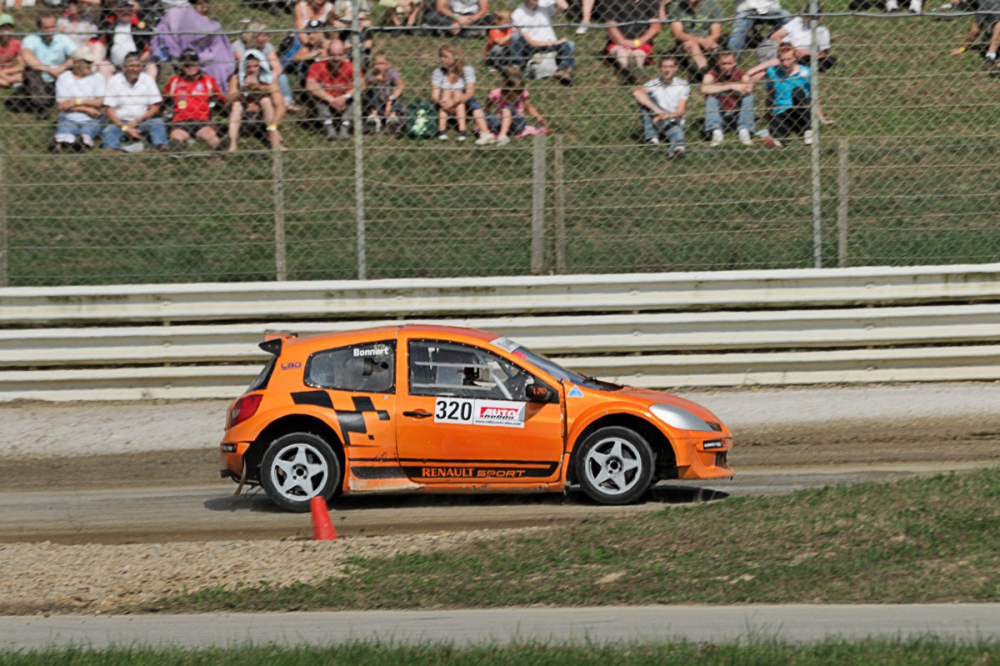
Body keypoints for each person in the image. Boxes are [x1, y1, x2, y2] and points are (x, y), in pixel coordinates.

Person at [751, 42, 831, 148]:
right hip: (783, 112)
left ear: (795, 58)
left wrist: (822, 119)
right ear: (778, 59)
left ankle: (808, 130)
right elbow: (770, 94)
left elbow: (814, 96)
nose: (786, 63)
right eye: (783, 60)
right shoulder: (772, 72)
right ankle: (778, 141)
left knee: (798, 91)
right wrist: (767, 115)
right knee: (777, 126)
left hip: (802, 112)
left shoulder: (806, 72)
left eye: (789, 59)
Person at [101, 51, 168, 151]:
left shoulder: (148, 80)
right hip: (121, 124)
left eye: (138, 66)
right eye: (132, 66)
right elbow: (109, 110)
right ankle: (114, 151)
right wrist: (124, 127)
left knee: (158, 122)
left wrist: (138, 120)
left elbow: (155, 106)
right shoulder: (114, 81)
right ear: (124, 67)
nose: (135, 69)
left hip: (143, 121)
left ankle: (160, 146)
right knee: (108, 131)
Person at [164, 48, 226, 150]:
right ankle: (179, 148)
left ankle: (219, 148)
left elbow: (221, 99)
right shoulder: (175, 81)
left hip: (202, 120)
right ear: (182, 66)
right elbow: (163, 100)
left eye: (194, 63)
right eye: (187, 65)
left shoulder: (208, 80)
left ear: (198, 64)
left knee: (209, 134)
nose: (191, 67)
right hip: (181, 120)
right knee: (176, 135)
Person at [20, 12, 78, 118]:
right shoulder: (31, 39)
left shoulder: (62, 38)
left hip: (59, 75)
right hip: (41, 78)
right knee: (30, 71)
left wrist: (61, 68)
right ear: (39, 28)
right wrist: (48, 70)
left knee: (74, 66)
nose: (51, 30)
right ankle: (42, 106)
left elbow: (76, 54)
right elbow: (26, 55)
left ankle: (67, 101)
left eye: (53, 26)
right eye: (46, 28)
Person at [430, 42, 491, 141]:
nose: (442, 60)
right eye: (441, 57)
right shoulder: (438, 72)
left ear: (456, 57)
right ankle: (442, 131)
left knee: (458, 92)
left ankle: (462, 131)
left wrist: (454, 101)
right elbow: (434, 96)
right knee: (446, 92)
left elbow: (469, 93)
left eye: (446, 57)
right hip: (444, 103)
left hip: (462, 102)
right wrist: (443, 102)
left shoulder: (467, 70)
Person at [232, 20, 297, 112]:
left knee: (282, 76)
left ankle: (287, 102)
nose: (266, 38)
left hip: (263, 74)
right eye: (263, 35)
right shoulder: (239, 46)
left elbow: (277, 67)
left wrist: (270, 79)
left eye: (266, 35)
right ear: (253, 36)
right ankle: (251, 102)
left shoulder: (267, 46)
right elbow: (244, 66)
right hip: (245, 74)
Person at [226, 52, 286, 152]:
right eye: (249, 67)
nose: (252, 70)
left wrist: (273, 127)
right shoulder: (236, 79)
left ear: (260, 66)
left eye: (255, 66)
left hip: (262, 115)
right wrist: (242, 91)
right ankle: (232, 145)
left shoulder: (269, 81)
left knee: (265, 100)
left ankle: (275, 143)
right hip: (242, 113)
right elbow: (227, 103)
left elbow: (281, 106)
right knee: (237, 104)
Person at [632, 55, 689, 157]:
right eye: (664, 67)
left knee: (677, 133)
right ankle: (652, 138)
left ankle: (676, 149)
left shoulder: (683, 85)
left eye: (670, 66)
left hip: (672, 119)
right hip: (656, 118)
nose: (667, 70)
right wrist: (657, 110)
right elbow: (637, 93)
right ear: (660, 68)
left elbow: (680, 111)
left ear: (676, 68)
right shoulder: (654, 83)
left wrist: (666, 115)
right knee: (645, 99)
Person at [749, 11, 835, 75]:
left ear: (821, 16)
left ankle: (750, 75)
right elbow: (775, 36)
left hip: (799, 58)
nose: (812, 19)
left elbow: (822, 56)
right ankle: (751, 72)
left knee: (830, 60)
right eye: (809, 16)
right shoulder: (798, 21)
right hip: (779, 48)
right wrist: (790, 49)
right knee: (785, 57)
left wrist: (807, 52)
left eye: (816, 16)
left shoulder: (822, 31)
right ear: (805, 14)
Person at [509, 0, 575, 85]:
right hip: (533, 47)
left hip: (551, 44)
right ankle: (516, 68)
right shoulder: (518, 14)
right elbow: (530, 41)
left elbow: (564, 6)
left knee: (569, 44)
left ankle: (563, 71)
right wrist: (554, 43)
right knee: (515, 37)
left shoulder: (544, 6)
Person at [53, 45, 105, 151]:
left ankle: (82, 141)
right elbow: (62, 105)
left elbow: (99, 101)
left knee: (88, 130)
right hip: (69, 117)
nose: (90, 66)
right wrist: (87, 108)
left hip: (91, 119)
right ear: (76, 62)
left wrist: (76, 101)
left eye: (90, 63)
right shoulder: (64, 78)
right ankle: (64, 142)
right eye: (86, 63)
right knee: (66, 129)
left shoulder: (97, 77)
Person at [476, 66, 546, 145]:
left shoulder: (522, 93)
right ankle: (487, 135)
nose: (514, 97)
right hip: (500, 123)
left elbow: (529, 107)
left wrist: (538, 117)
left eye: (516, 94)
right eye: (510, 95)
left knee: (506, 108)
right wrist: (486, 112)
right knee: (478, 111)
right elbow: (487, 104)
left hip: (517, 124)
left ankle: (502, 137)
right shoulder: (495, 93)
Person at [306, 38, 359, 140]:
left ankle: (345, 126)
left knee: (356, 92)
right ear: (328, 53)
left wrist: (345, 97)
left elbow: (362, 84)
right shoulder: (318, 66)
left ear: (344, 54)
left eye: (339, 55)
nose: (336, 58)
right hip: (326, 102)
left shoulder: (351, 66)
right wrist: (331, 99)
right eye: (333, 55)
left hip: (345, 102)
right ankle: (328, 126)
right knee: (316, 91)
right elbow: (310, 85)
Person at [701, 51, 754, 146]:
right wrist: (731, 86)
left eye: (729, 63)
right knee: (710, 98)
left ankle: (744, 130)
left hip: (737, 116)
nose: (726, 67)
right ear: (718, 63)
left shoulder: (739, 73)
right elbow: (704, 89)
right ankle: (716, 132)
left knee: (748, 97)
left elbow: (749, 87)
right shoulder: (712, 74)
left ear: (734, 63)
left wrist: (719, 87)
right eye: (723, 64)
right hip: (720, 116)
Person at [604, 0, 662, 83]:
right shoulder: (612, 2)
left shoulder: (650, 2)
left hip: (641, 42)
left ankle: (635, 70)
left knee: (638, 54)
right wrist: (624, 43)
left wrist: (636, 43)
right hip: (618, 42)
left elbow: (656, 27)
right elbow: (610, 27)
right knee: (620, 52)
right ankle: (627, 70)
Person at [668, 0, 724, 80]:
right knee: (692, 44)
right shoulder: (675, 6)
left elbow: (716, 34)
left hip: (707, 41)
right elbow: (677, 34)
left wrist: (707, 41)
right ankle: (706, 72)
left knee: (714, 46)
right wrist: (699, 40)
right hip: (686, 42)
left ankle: (716, 72)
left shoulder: (713, 5)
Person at [102, 0, 156, 79]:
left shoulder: (140, 26)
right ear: (116, 10)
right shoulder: (109, 25)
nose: (126, 11)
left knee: (152, 67)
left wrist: (135, 63)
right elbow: (100, 46)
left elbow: (149, 51)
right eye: (123, 8)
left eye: (129, 8)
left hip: (138, 64)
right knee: (103, 66)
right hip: (115, 66)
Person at [949, 0, 1000, 72]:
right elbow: (975, 28)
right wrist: (963, 48)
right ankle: (991, 56)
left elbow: (976, 28)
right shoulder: (989, 3)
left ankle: (991, 58)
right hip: (992, 38)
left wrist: (963, 48)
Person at [363, 51, 403, 133]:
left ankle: (392, 118)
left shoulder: (392, 73)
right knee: (371, 89)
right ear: (373, 65)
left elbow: (400, 85)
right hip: (378, 105)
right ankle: (373, 117)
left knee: (396, 90)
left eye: (382, 63)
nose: (380, 66)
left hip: (391, 104)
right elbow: (366, 83)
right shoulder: (372, 75)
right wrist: (375, 79)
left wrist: (389, 101)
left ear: (388, 64)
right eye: (377, 64)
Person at [423, 0, 492, 37]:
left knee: (490, 18)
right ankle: (467, 32)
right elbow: (440, 7)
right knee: (430, 16)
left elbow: (484, 10)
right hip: (452, 15)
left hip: (472, 16)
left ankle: (447, 31)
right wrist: (457, 18)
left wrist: (469, 20)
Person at [0, 14, 24, 88]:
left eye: (9, 29)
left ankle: (8, 82)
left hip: (10, 71)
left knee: (23, 74)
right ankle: (11, 82)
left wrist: (5, 72)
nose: (7, 32)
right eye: (4, 29)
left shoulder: (16, 44)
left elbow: (21, 66)